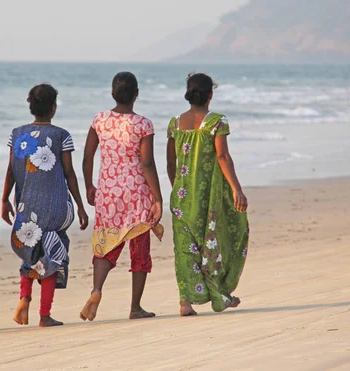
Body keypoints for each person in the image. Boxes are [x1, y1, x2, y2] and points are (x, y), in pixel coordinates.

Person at [2, 84, 88, 327]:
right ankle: (44, 314)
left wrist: (4, 199)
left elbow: (11, 170)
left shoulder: (17, 134)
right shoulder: (62, 136)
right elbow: (69, 173)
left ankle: (24, 297)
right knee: (51, 258)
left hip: (25, 208)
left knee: (31, 252)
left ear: (31, 107)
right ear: (53, 107)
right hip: (53, 209)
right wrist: (80, 206)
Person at [81, 72, 163, 321]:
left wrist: (89, 186)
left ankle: (96, 290)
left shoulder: (100, 120)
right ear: (136, 94)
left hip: (108, 192)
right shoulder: (143, 124)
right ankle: (135, 307)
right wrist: (158, 199)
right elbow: (147, 163)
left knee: (106, 245)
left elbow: (87, 157)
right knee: (140, 250)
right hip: (137, 192)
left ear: (112, 93)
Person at [166, 73, 249, 316]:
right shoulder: (217, 122)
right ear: (210, 95)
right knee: (213, 242)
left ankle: (185, 301)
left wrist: (177, 188)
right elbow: (223, 157)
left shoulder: (174, 123)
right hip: (209, 197)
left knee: (185, 248)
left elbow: (170, 161)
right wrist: (237, 189)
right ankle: (218, 294)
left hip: (181, 195)